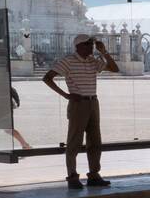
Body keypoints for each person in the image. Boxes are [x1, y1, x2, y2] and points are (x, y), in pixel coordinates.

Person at [43, 33, 118, 189]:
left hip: (93, 102)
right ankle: (72, 176)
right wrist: (66, 95)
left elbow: (115, 68)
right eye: (87, 44)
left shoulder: (92, 61)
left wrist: (103, 52)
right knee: (74, 142)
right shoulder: (68, 61)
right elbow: (47, 78)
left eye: (92, 44)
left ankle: (93, 175)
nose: (91, 46)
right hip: (78, 104)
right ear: (78, 46)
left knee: (95, 141)